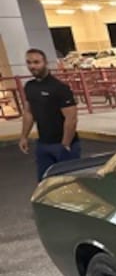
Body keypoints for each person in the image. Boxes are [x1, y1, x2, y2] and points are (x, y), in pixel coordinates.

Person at [19, 48, 80, 181]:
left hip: (63, 145)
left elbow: (71, 118)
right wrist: (24, 136)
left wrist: (65, 144)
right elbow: (28, 113)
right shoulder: (29, 87)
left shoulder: (60, 88)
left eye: (36, 62)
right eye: (29, 62)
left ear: (45, 62)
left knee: (68, 183)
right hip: (43, 144)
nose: (32, 66)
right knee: (45, 184)